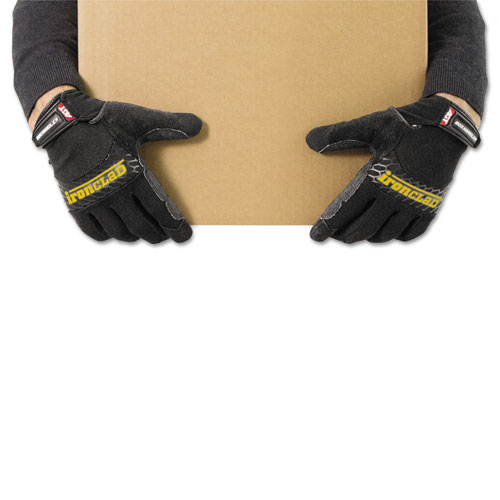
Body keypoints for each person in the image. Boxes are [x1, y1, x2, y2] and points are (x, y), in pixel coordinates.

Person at [13, 0, 487, 244]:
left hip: (379, 274)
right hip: (131, 273)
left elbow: (448, 16)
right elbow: (47, 10)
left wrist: (446, 119)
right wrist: (62, 119)